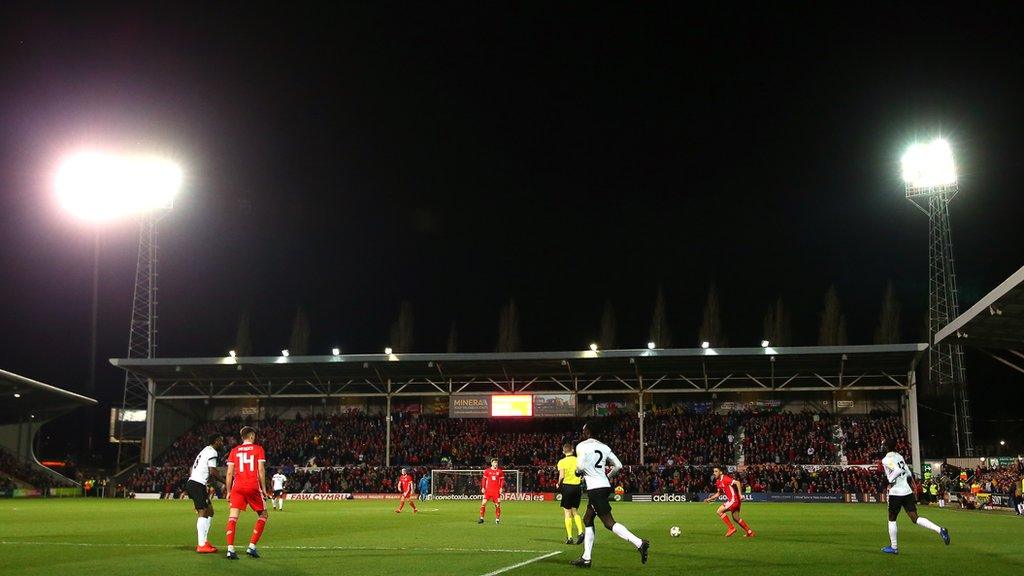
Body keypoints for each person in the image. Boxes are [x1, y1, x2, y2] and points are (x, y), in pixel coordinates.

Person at [570, 422, 649, 568]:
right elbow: (618, 465)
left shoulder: (581, 445)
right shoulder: (604, 447)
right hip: (604, 486)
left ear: (587, 431)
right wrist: (608, 475)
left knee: (608, 523)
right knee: (587, 519)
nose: (582, 433)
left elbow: (580, 467)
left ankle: (639, 543)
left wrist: (578, 472)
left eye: (583, 431)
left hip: (595, 489)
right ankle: (586, 558)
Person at [880, 438, 949, 555]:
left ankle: (894, 547)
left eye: (883, 445)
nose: (882, 447)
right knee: (915, 518)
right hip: (906, 491)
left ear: (886, 447)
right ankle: (940, 530)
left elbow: (896, 470)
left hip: (896, 492)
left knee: (891, 519)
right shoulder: (899, 456)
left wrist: (890, 480)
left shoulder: (886, 459)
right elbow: (907, 471)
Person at [224, 426, 269, 560]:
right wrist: (264, 489)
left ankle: (230, 549)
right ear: (251, 436)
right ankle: (252, 547)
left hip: (237, 487)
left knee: (233, 517)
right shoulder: (258, 449)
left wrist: (228, 491)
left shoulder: (234, 451)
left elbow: (229, 473)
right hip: (252, 486)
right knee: (263, 514)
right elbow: (261, 470)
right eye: (254, 436)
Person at [186, 433, 225, 553]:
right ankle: (201, 545)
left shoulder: (205, 450)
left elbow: (208, 474)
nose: (222, 443)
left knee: (210, 512)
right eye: (221, 441)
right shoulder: (212, 452)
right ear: (216, 441)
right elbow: (212, 472)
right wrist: (226, 482)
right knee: (202, 511)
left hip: (197, 483)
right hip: (196, 484)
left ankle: (204, 541)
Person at [704, 466, 754, 537]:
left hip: (734, 500)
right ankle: (750, 532)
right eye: (714, 471)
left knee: (719, 511)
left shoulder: (725, 478)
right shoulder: (718, 481)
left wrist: (740, 494)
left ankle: (731, 528)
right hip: (736, 501)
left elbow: (738, 482)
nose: (714, 473)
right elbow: (719, 493)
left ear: (720, 472)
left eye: (716, 471)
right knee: (736, 518)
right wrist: (709, 499)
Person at [556, 443, 585, 545]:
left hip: (567, 487)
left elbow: (562, 475)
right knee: (575, 511)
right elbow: (583, 473)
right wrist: (581, 479)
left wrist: (558, 484)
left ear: (563, 452)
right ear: (572, 450)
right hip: (577, 487)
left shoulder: (562, 462)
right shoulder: (578, 460)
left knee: (567, 513)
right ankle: (581, 532)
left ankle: (569, 537)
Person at [478, 459, 504, 524]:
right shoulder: (487, 471)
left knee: (497, 505)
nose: (496, 464)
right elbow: (484, 479)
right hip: (488, 490)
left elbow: (502, 481)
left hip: (496, 491)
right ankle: (481, 518)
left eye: (497, 462)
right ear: (491, 463)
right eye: (495, 462)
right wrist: (483, 487)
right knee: (483, 503)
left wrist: (501, 488)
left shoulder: (500, 471)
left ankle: (497, 520)